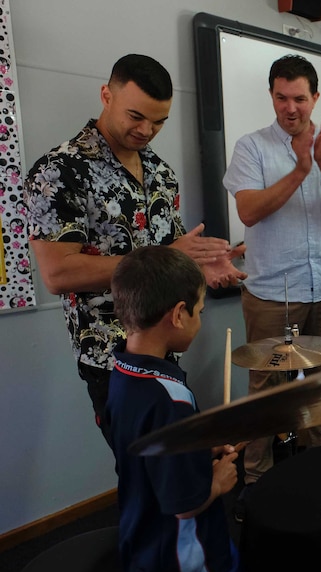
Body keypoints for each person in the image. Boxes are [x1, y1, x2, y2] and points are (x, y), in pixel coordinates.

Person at [24, 54, 245, 448]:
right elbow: (58, 274)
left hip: (167, 340)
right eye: (136, 117)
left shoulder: (160, 171)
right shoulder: (59, 171)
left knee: (180, 461)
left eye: (159, 121)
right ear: (106, 95)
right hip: (112, 356)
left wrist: (203, 267)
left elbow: (175, 254)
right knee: (145, 472)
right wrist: (162, 257)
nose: (147, 130)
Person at [222, 54, 321, 509]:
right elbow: (248, 211)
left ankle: (320, 477)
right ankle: (256, 483)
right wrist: (300, 169)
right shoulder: (251, 147)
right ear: (271, 96)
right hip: (271, 288)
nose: (291, 108)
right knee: (266, 387)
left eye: (300, 98)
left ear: (315, 98)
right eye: (281, 98)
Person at [105, 246, 242, 572]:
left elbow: (150, 450)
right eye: (200, 311)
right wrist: (219, 482)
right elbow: (185, 504)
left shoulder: (122, 371)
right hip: (184, 558)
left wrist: (196, 448)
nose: (199, 320)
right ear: (179, 314)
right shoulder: (171, 399)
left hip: (142, 539)